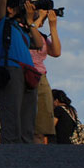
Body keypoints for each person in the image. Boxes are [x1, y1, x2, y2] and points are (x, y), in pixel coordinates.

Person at [0, 0, 42, 144]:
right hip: (11, 69)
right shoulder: (1, 22)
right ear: (10, 9)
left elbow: (39, 43)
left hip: (29, 74)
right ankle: (10, 156)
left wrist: (30, 22)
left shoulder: (22, 28)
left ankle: (26, 153)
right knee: (11, 115)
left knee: (28, 119)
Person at [32, 9, 62, 144]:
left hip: (40, 76)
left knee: (41, 126)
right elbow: (28, 35)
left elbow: (56, 52)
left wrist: (53, 26)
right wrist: (37, 20)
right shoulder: (20, 29)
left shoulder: (41, 35)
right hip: (23, 74)